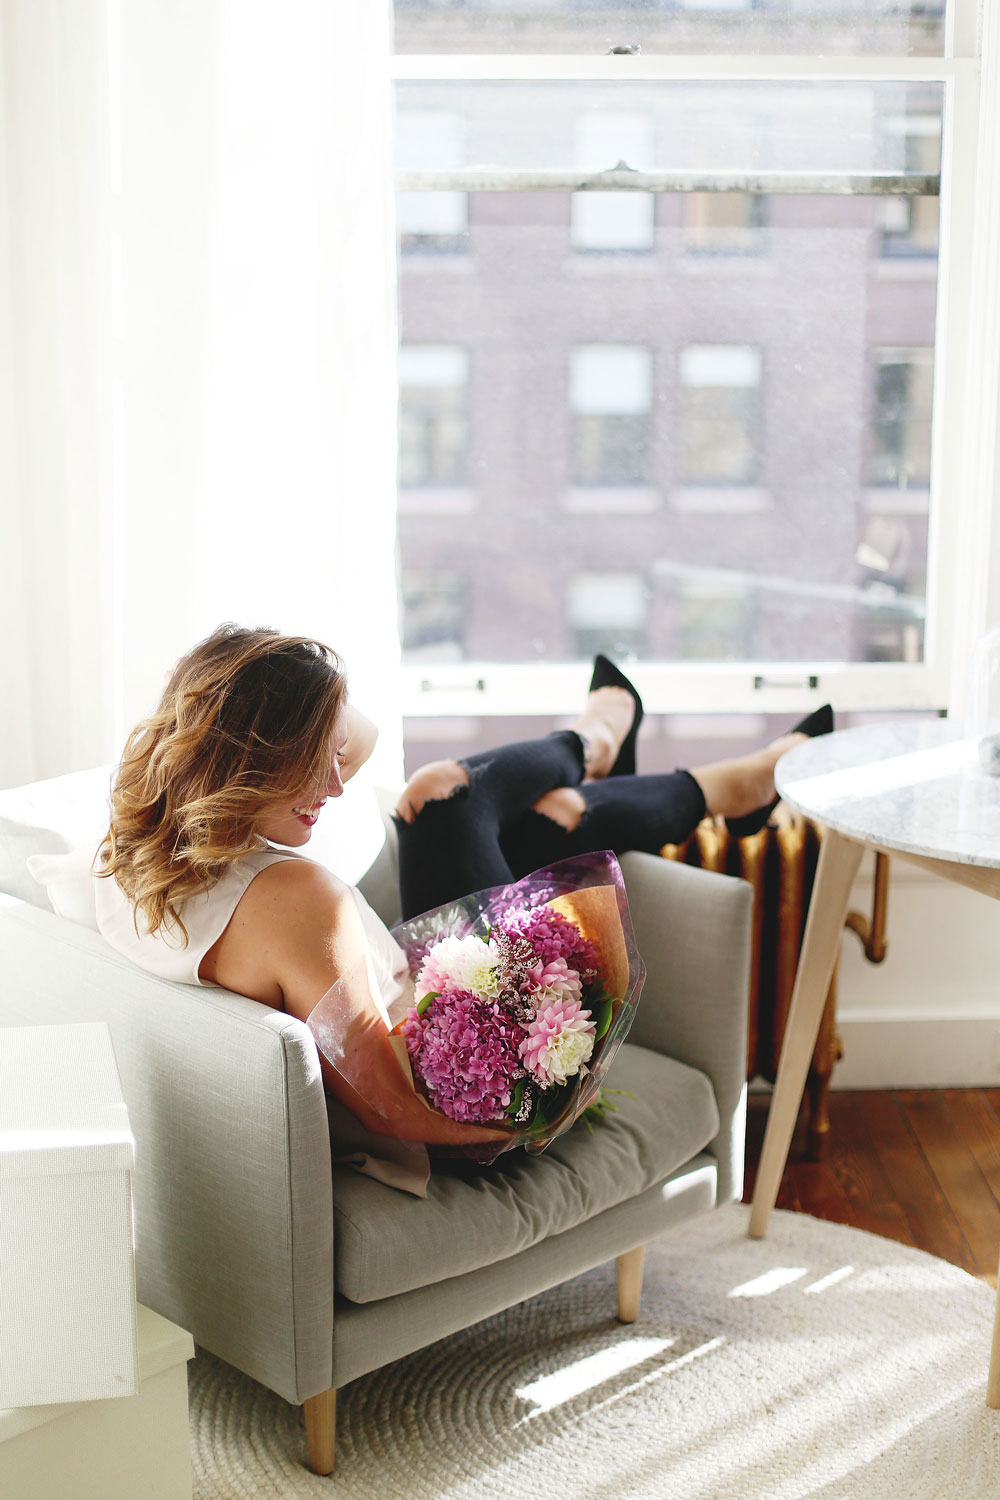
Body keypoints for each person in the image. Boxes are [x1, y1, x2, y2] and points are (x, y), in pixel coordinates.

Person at [94, 623, 830, 1137]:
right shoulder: (296, 899)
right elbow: (392, 1112)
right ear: (251, 758)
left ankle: (638, 756)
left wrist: (276, 684)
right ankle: (618, 747)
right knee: (441, 796)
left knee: (544, 813)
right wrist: (524, 1128)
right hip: (495, 1075)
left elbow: (361, 737)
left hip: (448, 1022)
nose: (339, 782)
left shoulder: (130, 852)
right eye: (312, 759)